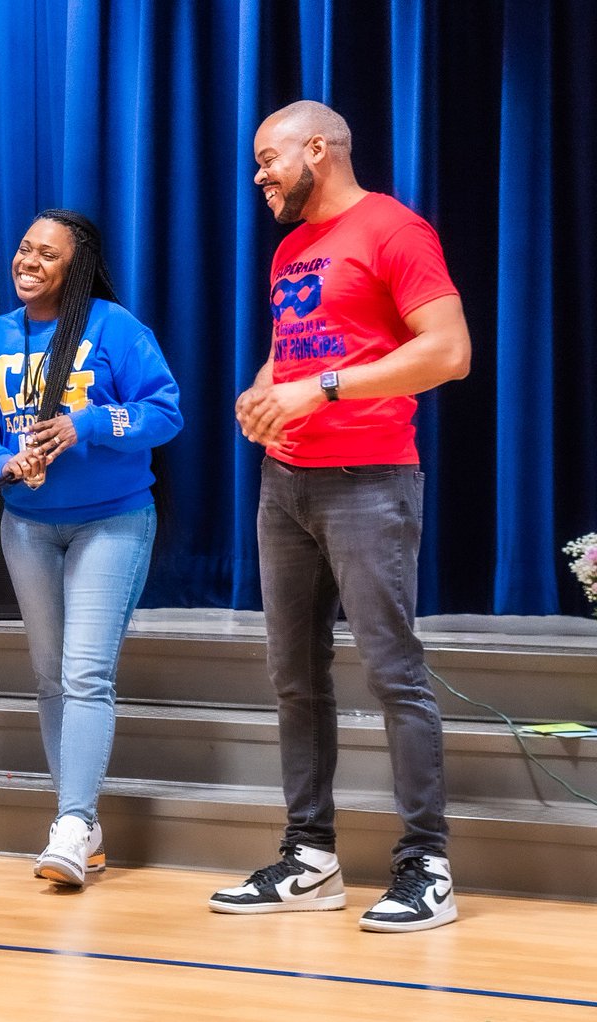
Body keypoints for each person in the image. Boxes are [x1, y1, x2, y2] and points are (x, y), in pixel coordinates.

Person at [212, 101, 471, 933]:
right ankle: (310, 855)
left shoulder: (395, 230)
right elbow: (306, 347)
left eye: (268, 160)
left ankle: (426, 864)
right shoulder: (292, 247)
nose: (259, 176)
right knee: (294, 677)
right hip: (285, 485)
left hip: (369, 480)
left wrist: (317, 391)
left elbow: (447, 352)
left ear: (317, 149)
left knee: (393, 672)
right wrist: (264, 388)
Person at [0, 209, 183, 889]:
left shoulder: (114, 328)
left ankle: (72, 825)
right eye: (24, 248)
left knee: (84, 674)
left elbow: (165, 411)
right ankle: (81, 826)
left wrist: (85, 424)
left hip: (111, 521)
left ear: (73, 268)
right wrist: (1, 463)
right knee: (51, 677)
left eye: (48, 254)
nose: (30, 261)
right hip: (26, 526)